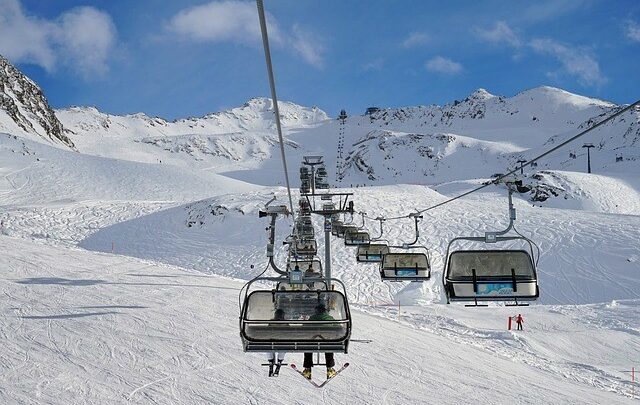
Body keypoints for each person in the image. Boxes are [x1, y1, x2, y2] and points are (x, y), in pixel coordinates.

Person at [302, 303, 336, 380]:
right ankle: (330, 368)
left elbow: (305, 327)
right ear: (325, 311)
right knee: (329, 347)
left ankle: (307, 369)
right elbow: (339, 327)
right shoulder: (330, 318)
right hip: (326, 342)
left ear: (316, 311)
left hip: (313, 342)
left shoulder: (312, 318)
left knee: (308, 348)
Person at [267, 308, 286, 376]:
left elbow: (267, 331)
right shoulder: (285, 323)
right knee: (283, 349)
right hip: (281, 342)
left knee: (269, 348)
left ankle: (271, 363)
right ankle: (279, 363)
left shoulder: (271, 321)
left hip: (273, 341)